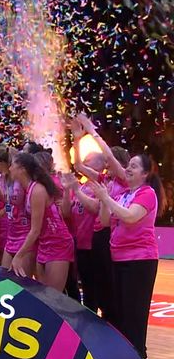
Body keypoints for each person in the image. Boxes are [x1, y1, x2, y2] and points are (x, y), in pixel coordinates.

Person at [90, 154, 164, 359]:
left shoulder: (147, 193)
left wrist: (106, 199)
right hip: (119, 258)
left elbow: (131, 217)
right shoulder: (123, 195)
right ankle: (125, 355)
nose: (128, 169)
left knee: (134, 312)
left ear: (145, 173)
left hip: (140, 260)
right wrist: (104, 199)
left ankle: (137, 355)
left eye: (134, 166)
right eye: (128, 165)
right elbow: (105, 221)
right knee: (120, 310)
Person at [72, 114, 129, 321]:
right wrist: (77, 139)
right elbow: (78, 166)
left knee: (108, 290)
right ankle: (100, 325)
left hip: (107, 237)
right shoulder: (105, 180)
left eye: (109, 161)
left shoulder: (123, 182)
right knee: (98, 288)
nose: (106, 163)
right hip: (98, 238)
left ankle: (112, 325)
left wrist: (91, 130)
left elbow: (110, 157)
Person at [9, 153, 74, 291]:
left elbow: (35, 230)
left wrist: (19, 256)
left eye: (12, 165)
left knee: (53, 296)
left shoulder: (37, 190)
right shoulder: (28, 189)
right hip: (44, 242)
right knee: (43, 295)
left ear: (22, 169)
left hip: (58, 242)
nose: (9, 169)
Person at [60, 152, 106, 311]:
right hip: (80, 244)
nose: (83, 164)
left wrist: (76, 190)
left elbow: (95, 208)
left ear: (99, 165)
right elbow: (66, 213)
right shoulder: (83, 186)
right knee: (85, 286)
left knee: (95, 289)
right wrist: (68, 190)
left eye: (87, 161)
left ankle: (96, 320)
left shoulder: (102, 186)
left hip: (95, 245)